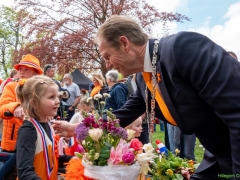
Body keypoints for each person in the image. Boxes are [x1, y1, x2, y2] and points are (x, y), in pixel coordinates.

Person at [52, 15, 240, 179]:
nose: (108, 65)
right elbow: (121, 115)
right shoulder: (143, 78)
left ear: (125, 43)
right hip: (218, 158)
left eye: (107, 56)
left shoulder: (182, 48)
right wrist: (81, 127)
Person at [15, 75, 71, 179]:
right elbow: (24, 172)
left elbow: (53, 159)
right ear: (35, 103)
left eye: (58, 96)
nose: (58, 101)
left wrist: (75, 160)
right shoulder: (28, 130)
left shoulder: (49, 125)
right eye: (51, 97)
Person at [0, 54, 43, 152]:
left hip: (36, 141)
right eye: (20, 69)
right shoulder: (11, 86)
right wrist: (15, 108)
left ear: (35, 73)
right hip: (13, 144)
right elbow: (2, 108)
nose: (22, 72)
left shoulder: (41, 90)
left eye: (27, 69)